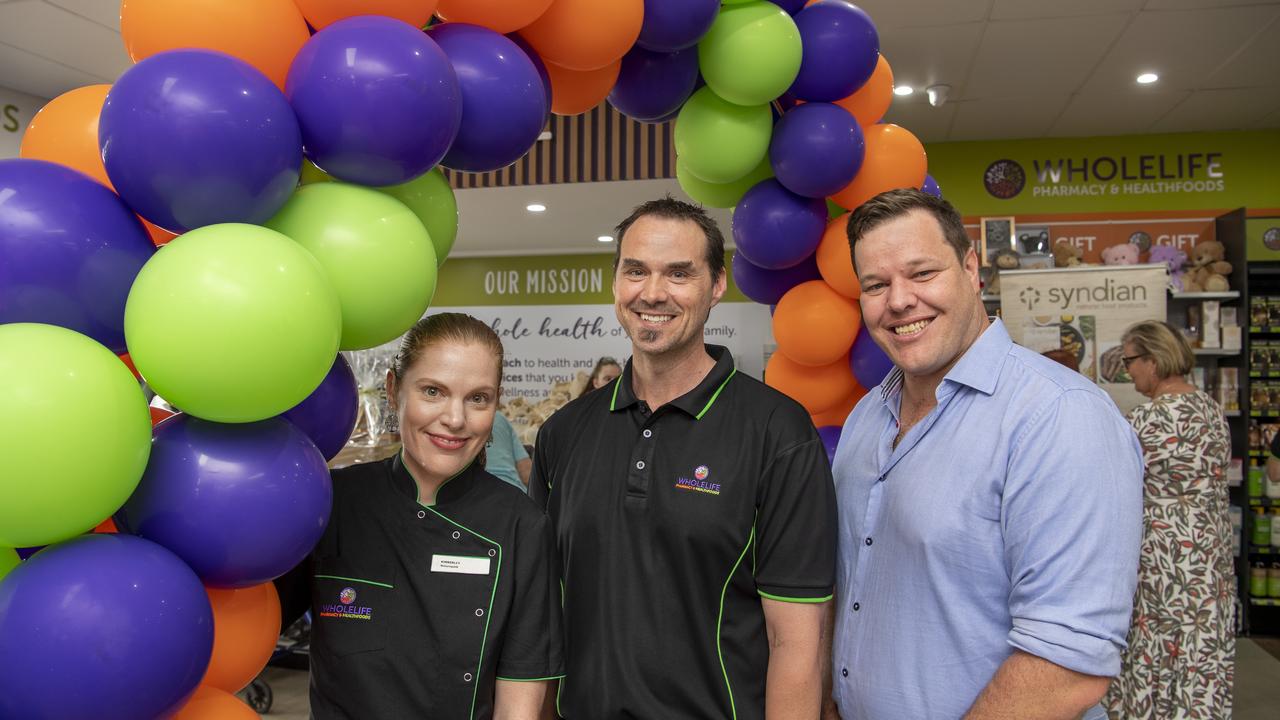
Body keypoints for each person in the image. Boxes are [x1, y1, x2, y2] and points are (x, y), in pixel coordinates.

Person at [828, 188, 1143, 720]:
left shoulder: (1059, 416)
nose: (899, 301)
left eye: (922, 273)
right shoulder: (865, 418)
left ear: (971, 268)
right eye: (876, 285)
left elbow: (1065, 666)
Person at [531, 197, 836, 719]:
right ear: (616, 283)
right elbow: (541, 613)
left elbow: (798, 644)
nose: (653, 293)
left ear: (716, 285)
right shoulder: (563, 433)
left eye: (678, 274)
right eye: (635, 271)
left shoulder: (776, 431)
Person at [275, 313, 563, 720]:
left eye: (478, 398)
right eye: (433, 391)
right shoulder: (333, 502)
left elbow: (520, 700)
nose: (455, 419)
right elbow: (247, 621)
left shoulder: (522, 526)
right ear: (394, 391)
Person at [1103, 320, 1234, 719]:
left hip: (1163, 557)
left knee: (1154, 648)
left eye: (1130, 362)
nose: (1128, 371)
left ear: (1153, 361)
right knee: (1200, 650)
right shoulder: (1212, 410)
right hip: (1209, 557)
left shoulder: (1147, 420)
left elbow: (1108, 483)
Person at [486, 411, 532, 491]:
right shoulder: (498, 417)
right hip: (514, 492)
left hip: (476, 496)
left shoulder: (458, 421)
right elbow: (526, 473)